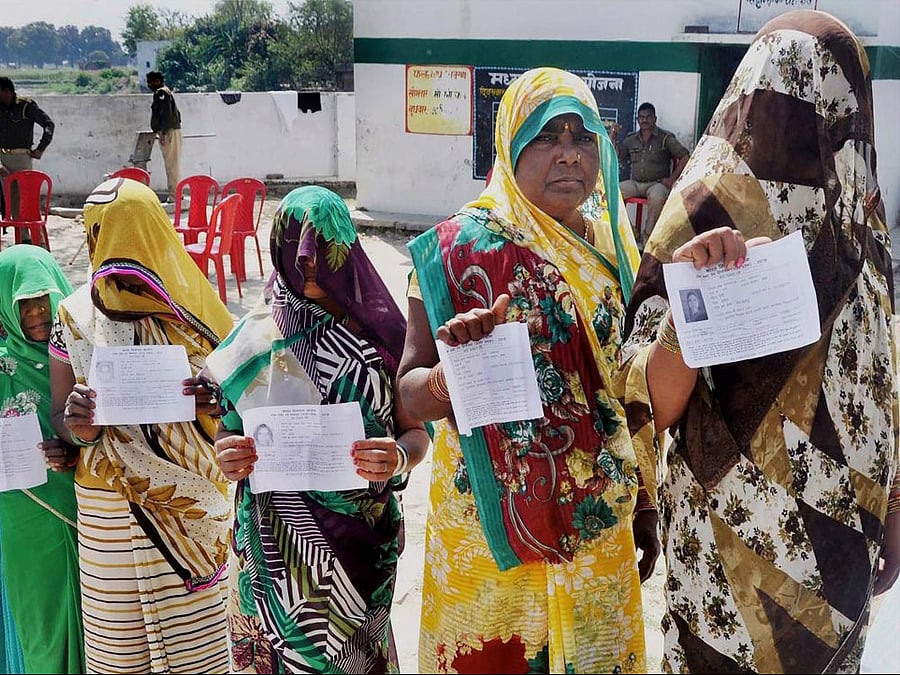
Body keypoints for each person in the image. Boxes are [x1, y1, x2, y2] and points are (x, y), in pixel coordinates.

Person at [621, 10, 898, 672]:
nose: (820, 119)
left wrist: (894, 506)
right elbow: (643, 406)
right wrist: (688, 320)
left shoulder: (862, 222)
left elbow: (880, 375)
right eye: (799, 95)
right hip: (727, 547)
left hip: (842, 543)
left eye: (840, 103)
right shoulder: (700, 210)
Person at [397, 67, 660, 673]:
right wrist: (447, 378)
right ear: (511, 146)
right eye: (546, 136)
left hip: (596, 529)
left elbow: (626, 391)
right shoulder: (457, 249)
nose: (569, 155)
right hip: (488, 540)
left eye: (583, 136)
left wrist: (646, 505)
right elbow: (407, 399)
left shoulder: (616, 249)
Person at [205, 185, 429, 673]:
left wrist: (399, 456)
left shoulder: (384, 334)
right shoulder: (255, 336)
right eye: (295, 251)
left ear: (344, 249)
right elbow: (225, 433)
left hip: (358, 551)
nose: (308, 267)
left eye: (319, 252)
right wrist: (228, 453)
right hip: (272, 550)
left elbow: (416, 435)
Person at [48, 177, 234, 673]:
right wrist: (78, 426)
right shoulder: (74, 315)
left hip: (190, 503)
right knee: (119, 644)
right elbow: (60, 412)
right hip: (107, 503)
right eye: (106, 234)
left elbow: (242, 404)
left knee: (199, 648)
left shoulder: (197, 310)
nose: (116, 252)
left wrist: (215, 402)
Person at [0, 246, 83, 673]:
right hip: (24, 523)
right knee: (42, 631)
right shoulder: (1, 368)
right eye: (22, 303)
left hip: (87, 515)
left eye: (43, 298)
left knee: (102, 627)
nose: (36, 313)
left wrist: (73, 449)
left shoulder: (82, 352)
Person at [611, 102, 689, 244]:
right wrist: (614, 137)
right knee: (612, 194)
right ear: (637, 119)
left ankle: (648, 240)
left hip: (656, 183)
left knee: (657, 198)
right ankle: (630, 232)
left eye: (648, 117)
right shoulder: (631, 138)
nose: (644, 120)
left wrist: (672, 180)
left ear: (655, 119)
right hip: (635, 183)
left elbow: (685, 157)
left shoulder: (665, 138)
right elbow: (617, 155)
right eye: (641, 117)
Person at [0, 76, 54, 222]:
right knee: (11, 202)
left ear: (7, 92)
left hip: (22, 158)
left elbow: (48, 125)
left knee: (27, 199)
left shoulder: (25, 106)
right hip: (3, 159)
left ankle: (36, 239)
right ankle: (22, 237)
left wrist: (40, 149)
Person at [146, 71, 182, 201]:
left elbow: (166, 114)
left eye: (150, 82)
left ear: (157, 81)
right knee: (173, 165)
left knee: (171, 166)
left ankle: (174, 196)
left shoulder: (161, 93)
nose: (149, 85)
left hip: (169, 132)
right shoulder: (167, 92)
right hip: (171, 131)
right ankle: (176, 194)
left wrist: (164, 133)